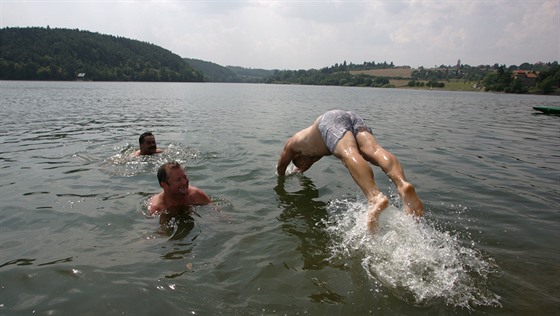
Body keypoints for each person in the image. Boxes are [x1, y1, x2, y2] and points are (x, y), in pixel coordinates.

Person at [276, 110, 424, 231]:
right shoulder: (313, 148)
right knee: (373, 150)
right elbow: (310, 159)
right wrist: (298, 171)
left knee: (348, 153)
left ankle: (375, 197)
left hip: (329, 121)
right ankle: (403, 185)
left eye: (302, 163)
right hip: (350, 116)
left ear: (297, 155)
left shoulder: (292, 144)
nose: (305, 164)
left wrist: (280, 179)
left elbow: (281, 165)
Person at [148, 162, 212, 221]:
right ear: (164, 185)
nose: (184, 182)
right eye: (178, 180)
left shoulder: (195, 194)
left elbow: (217, 215)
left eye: (184, 177)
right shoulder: (157, 207)